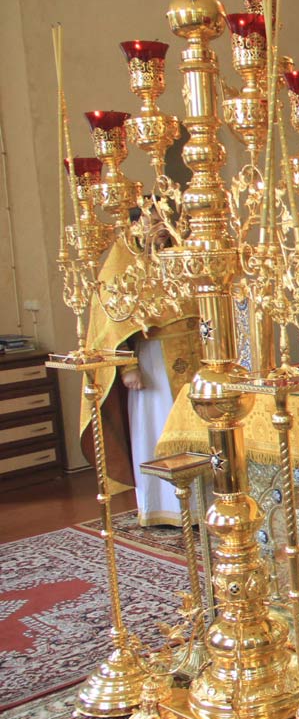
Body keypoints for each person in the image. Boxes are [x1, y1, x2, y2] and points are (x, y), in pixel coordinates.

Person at [80, 207, 201, 527]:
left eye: (164, 222)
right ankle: (164, 506)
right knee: (157, 427)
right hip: (153, 361)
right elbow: (112, 322)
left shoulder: (177, 255)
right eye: (153, 222)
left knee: (200, 428)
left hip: (194, 357)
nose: (161, 229)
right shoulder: (121, 263)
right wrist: (128, 367)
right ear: (135, 225)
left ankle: (203, 504)